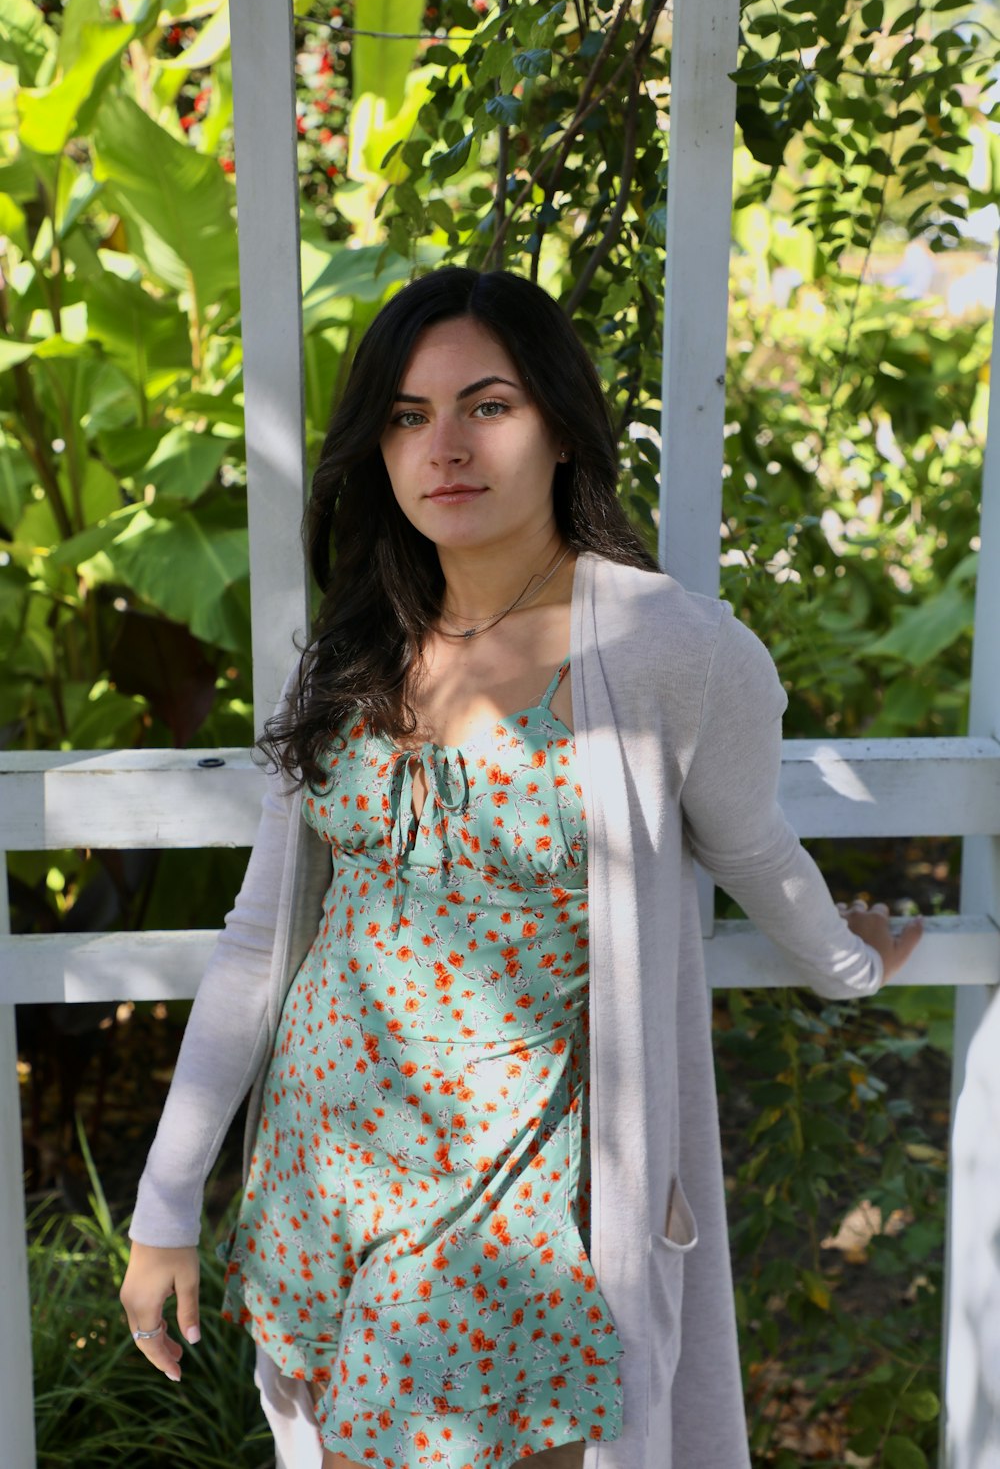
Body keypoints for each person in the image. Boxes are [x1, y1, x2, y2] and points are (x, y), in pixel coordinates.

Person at [120, 267, 923, 1469]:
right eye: (405, 416)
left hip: (501, 1195)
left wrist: (847, 962)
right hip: (323, 1164)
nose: (443, 445)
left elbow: (750, 842)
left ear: (559, 426)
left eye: (485, 405)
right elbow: (256, 940)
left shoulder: (673, 651)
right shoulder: (352, 653)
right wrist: (166, 1205)